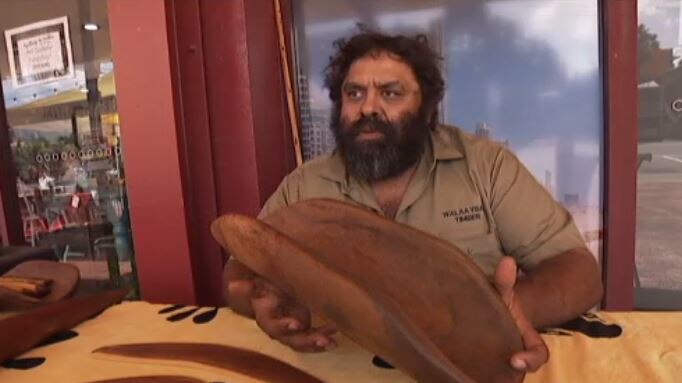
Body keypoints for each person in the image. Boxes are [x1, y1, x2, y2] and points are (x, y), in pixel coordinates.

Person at [224, 30, 603, 373]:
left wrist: (506, 314)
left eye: (390, 93)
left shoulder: (486, 166)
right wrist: (267, 303)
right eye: (354, 93)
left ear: (428, 108)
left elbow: (580, 273)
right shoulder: (305, 184)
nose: (368, 108)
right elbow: (240, 272)